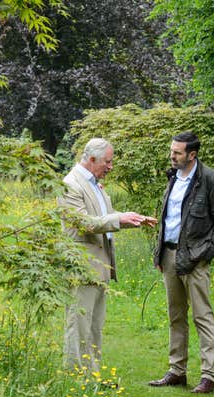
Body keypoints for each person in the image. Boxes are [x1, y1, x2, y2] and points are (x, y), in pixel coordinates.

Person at [58, 137, 157, 376]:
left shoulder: (95, 184)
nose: (110, 167)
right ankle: (76, 378)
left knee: (94, 327)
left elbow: (106, 217)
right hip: (82, 266)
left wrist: (131, 218)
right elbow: (82, 222)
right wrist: (117, 219)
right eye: (107, 162)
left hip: (99, 266)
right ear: (91, 160)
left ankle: (93, 375)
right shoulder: (71, 184)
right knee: (79, 325)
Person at [148, 131, 214, 394]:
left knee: (202, 317)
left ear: (192, 154)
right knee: (176, 316)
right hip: (169, 256)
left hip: (195, 259)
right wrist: (160, 253)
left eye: (177, 152)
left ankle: (208, 376)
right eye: (172, 151)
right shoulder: (173, 177)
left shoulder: (209, 179)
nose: (172, 156)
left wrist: (205, 254)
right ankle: (177, 371)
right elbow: (169, 218)